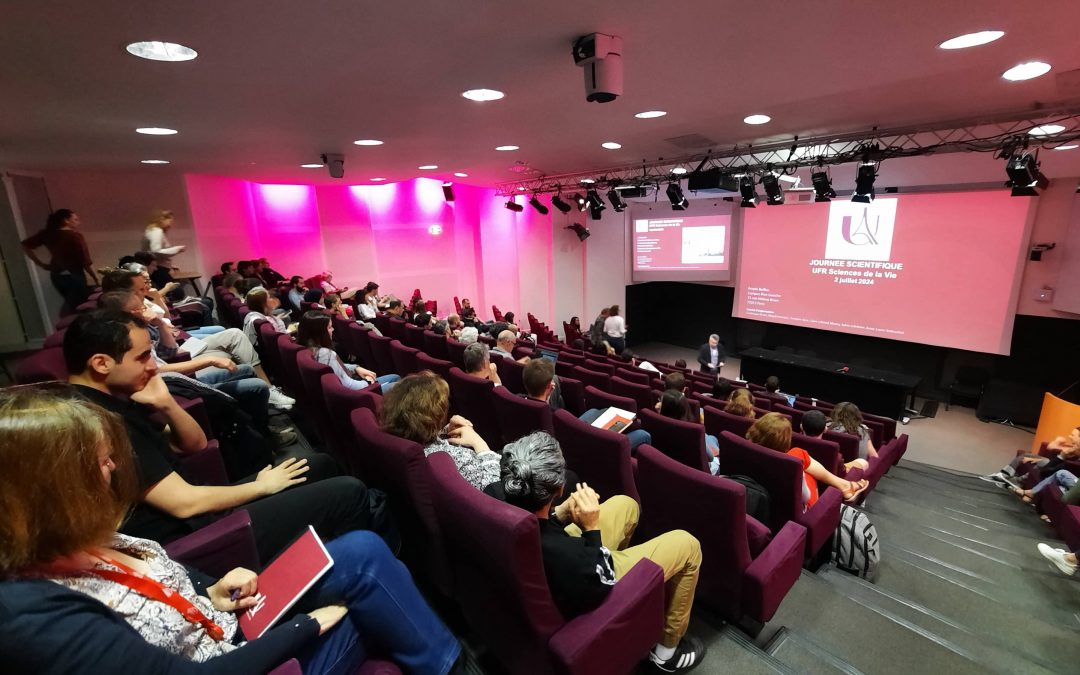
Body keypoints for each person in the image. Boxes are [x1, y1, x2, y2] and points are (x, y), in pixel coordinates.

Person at [0, 386, 460, 675]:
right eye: (101, 462)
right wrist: (305, 626)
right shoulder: (34, 616)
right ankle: (448, 664)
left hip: (227, 623)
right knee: (376, 593)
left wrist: (212, 593)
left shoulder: (86, 539)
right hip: (241, 657)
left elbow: (165, 587)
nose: (114, 470)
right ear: (53, 487)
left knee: (361, 549)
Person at [62, 310, 395, 561]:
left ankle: (341, 545)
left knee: (318, 464)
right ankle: (360, 567)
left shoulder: (111, 400)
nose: (154, 366)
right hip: (198, 536)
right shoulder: (99, 421)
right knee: (349, 492)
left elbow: (191, 445)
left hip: (202, 508)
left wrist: (167, 404)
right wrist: (261, 487)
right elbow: (183, 504)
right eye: (143, 357)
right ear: (102, 363)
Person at [499, 432, 706, 673]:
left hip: (564, 554)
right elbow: (594, 574)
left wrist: (558, 515)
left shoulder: (499, 501)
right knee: (688, 545)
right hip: (593, 576)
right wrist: (591, 527)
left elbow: (542, 529)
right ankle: (665, 653)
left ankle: (640, 605)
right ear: (559, 488)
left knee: (626, 505)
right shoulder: (566, 557)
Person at [379, 371, 500, 491]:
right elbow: (493, 493)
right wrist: (480, 445)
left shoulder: (391, 442)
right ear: (436, 415)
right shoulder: (457, 459)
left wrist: (444, 431)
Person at [523, 358, 650, 449]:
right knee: (643, 434)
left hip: (565, 434)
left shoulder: (520, 400)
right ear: (550, 386)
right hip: (576, 444)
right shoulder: (557, 414)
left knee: (594, 411)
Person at [747, 413, 869, 506]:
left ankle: (845, 485)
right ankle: (845, 486)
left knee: (799, 456)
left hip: (760, 497)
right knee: (798, 455)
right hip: (794, 511)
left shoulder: (741, 448)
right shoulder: (790, 465)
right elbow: (805, 497)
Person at [297, 311, 399, 392]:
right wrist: (368, 382)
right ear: (319, 332)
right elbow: (348, 385)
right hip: (359, 394)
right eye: (329, 327)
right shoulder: (324, 354)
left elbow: (335, 368)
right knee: (401, 385)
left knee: (395, 377)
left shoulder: (307, 348)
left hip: (353, 385)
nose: (333, 330)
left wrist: (356, 368)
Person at [21, 208, 98, 312]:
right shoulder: (75, 236)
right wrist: (96, 279)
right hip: (74, 274)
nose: (78, 221)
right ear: (66, 220)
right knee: (82, 305)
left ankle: (72, 324)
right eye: (75, 219)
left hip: (56, 275)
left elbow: (25, 245)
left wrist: (40, 264)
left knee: (72, 305)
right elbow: (86, 262)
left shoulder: (48, 234)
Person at [982, 426, 1080, 487]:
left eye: (1073, 435)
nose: (1069, 437)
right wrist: (1058, 441)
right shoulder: (1073, 447)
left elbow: (1063, 463)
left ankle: (1014, 479)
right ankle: (1004, 474)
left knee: (1042, 461)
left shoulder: (1076, 451)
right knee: (1026, 455)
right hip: (1051, 464)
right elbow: (1051, 448)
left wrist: (1061, 446)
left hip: (1054, 469)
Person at [659, 389, 719, 475]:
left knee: (711, 437)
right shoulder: (693, 432)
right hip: (699, 472)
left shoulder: (656, 422)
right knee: (712, 439)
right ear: (685, 408)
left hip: (671, 461)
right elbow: (710, 458)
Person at [799, 409, 870, 474]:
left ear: (801, 427)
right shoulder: (833, 455)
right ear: (825, 429)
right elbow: (842, 473)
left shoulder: (791, 442)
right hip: (828, 486)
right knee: (863, 462)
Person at [141, 209, 185, 290]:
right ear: (162, 219)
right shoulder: (156, 231)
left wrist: (169, 265)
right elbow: (156, 251)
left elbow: (154, 253)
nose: (170, 225)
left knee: (173, 291)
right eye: (170, 221)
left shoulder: (151, 231)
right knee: (176, 292)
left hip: (157, 268)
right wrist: (177, 249)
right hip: (158, 270)